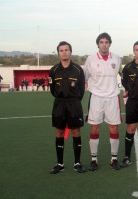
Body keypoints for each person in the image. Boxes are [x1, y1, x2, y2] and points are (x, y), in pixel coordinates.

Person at [83, 32, 122, 171]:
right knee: (94, 127)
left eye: (106, 42)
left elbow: (121, 74)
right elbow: (84, 77)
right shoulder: (90, 59)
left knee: (114, 127)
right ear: (98, 44)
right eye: (101, 42)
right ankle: (94, 160)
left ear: (109, 44)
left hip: (112, 97)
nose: (104, 44)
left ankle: (114, 159)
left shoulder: (117, 58)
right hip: (96, 97)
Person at [49, 41, 86, 174]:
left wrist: (74, 100)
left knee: (76, 132)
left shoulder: (78, 70)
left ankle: (77, 163)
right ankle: (60, 163)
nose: (64, 52)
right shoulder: (53, 70)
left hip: (74, 104)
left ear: (70, 52)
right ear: (58, 53)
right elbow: (52, 89)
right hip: (59, 104)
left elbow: (81, 89)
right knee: (59, 132)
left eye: (66, 50)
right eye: (61, 50)